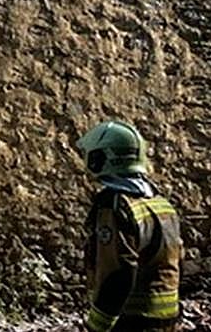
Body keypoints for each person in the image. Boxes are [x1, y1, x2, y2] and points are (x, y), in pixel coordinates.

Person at [77, 120, 182, 332]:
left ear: (101, 158)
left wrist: (98, 326)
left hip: (131, 320)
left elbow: (118, 274)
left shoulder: (115, 206)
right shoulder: (162, 203)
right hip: (166, 320)